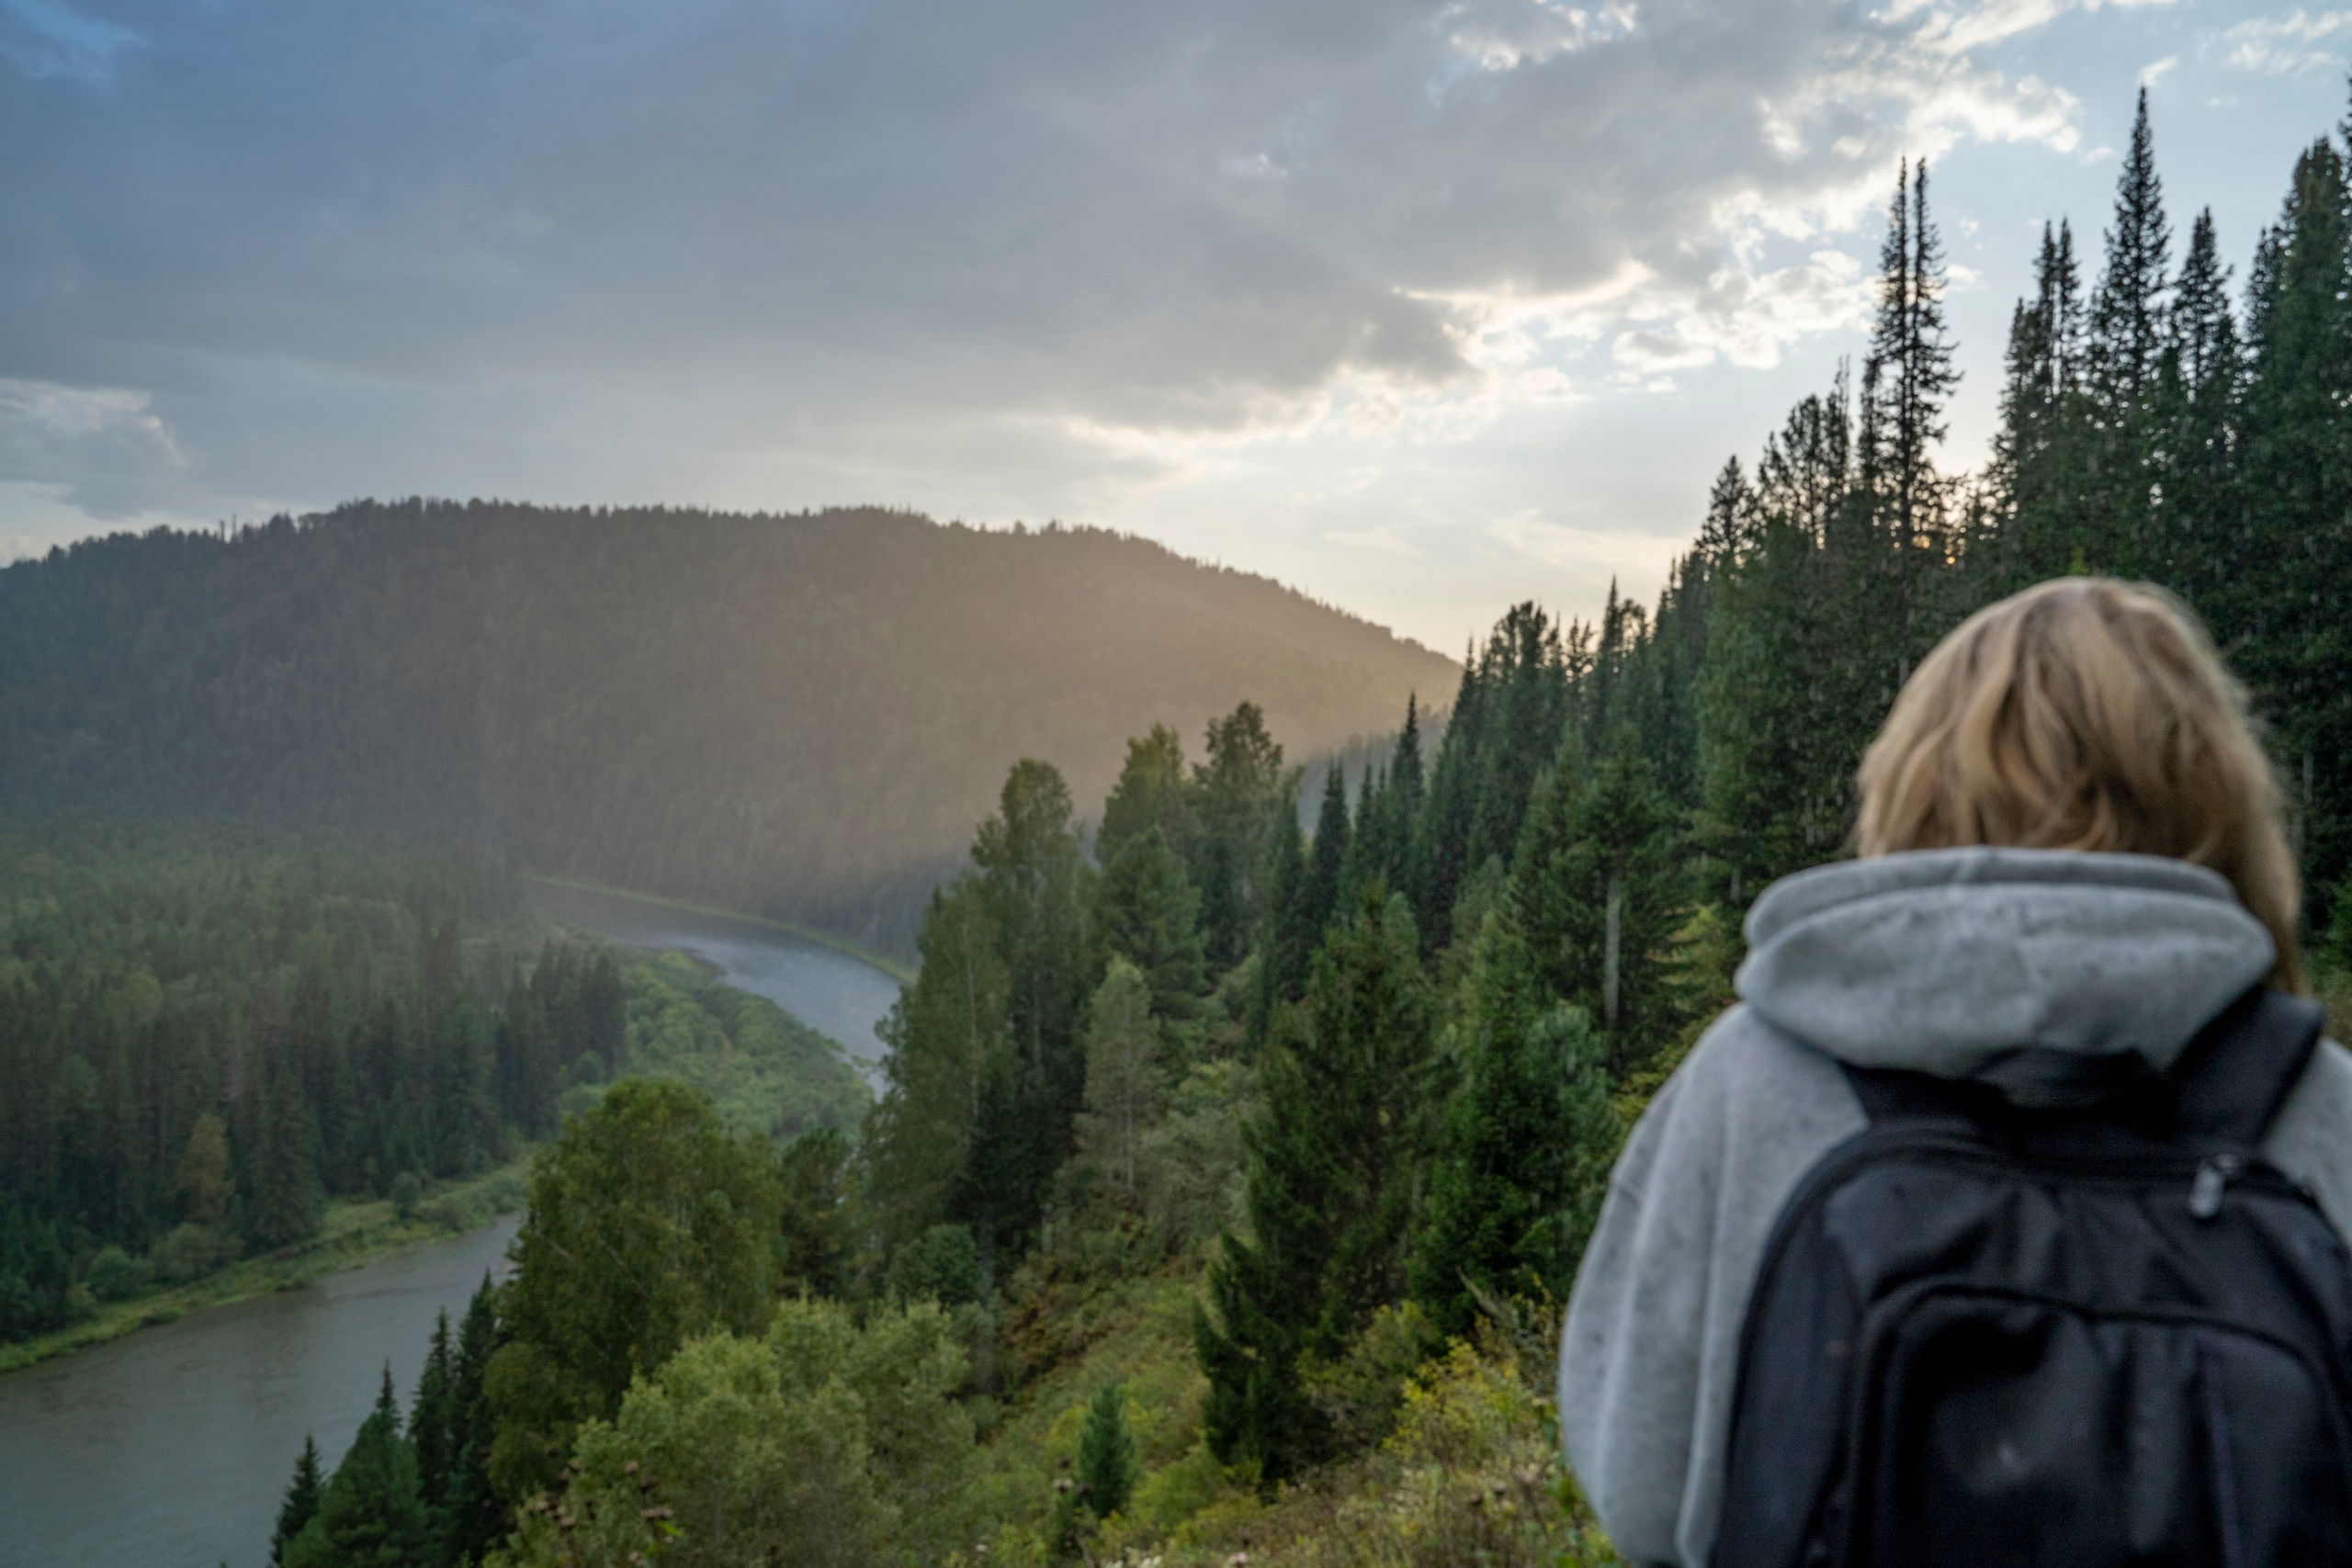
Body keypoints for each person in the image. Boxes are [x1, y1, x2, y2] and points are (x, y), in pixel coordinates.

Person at [1556, 577, 2352, 1566]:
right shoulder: (2319, 1106)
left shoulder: (1756, 1077)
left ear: (1916, 781)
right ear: (2212, 793)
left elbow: (1641, 1488)